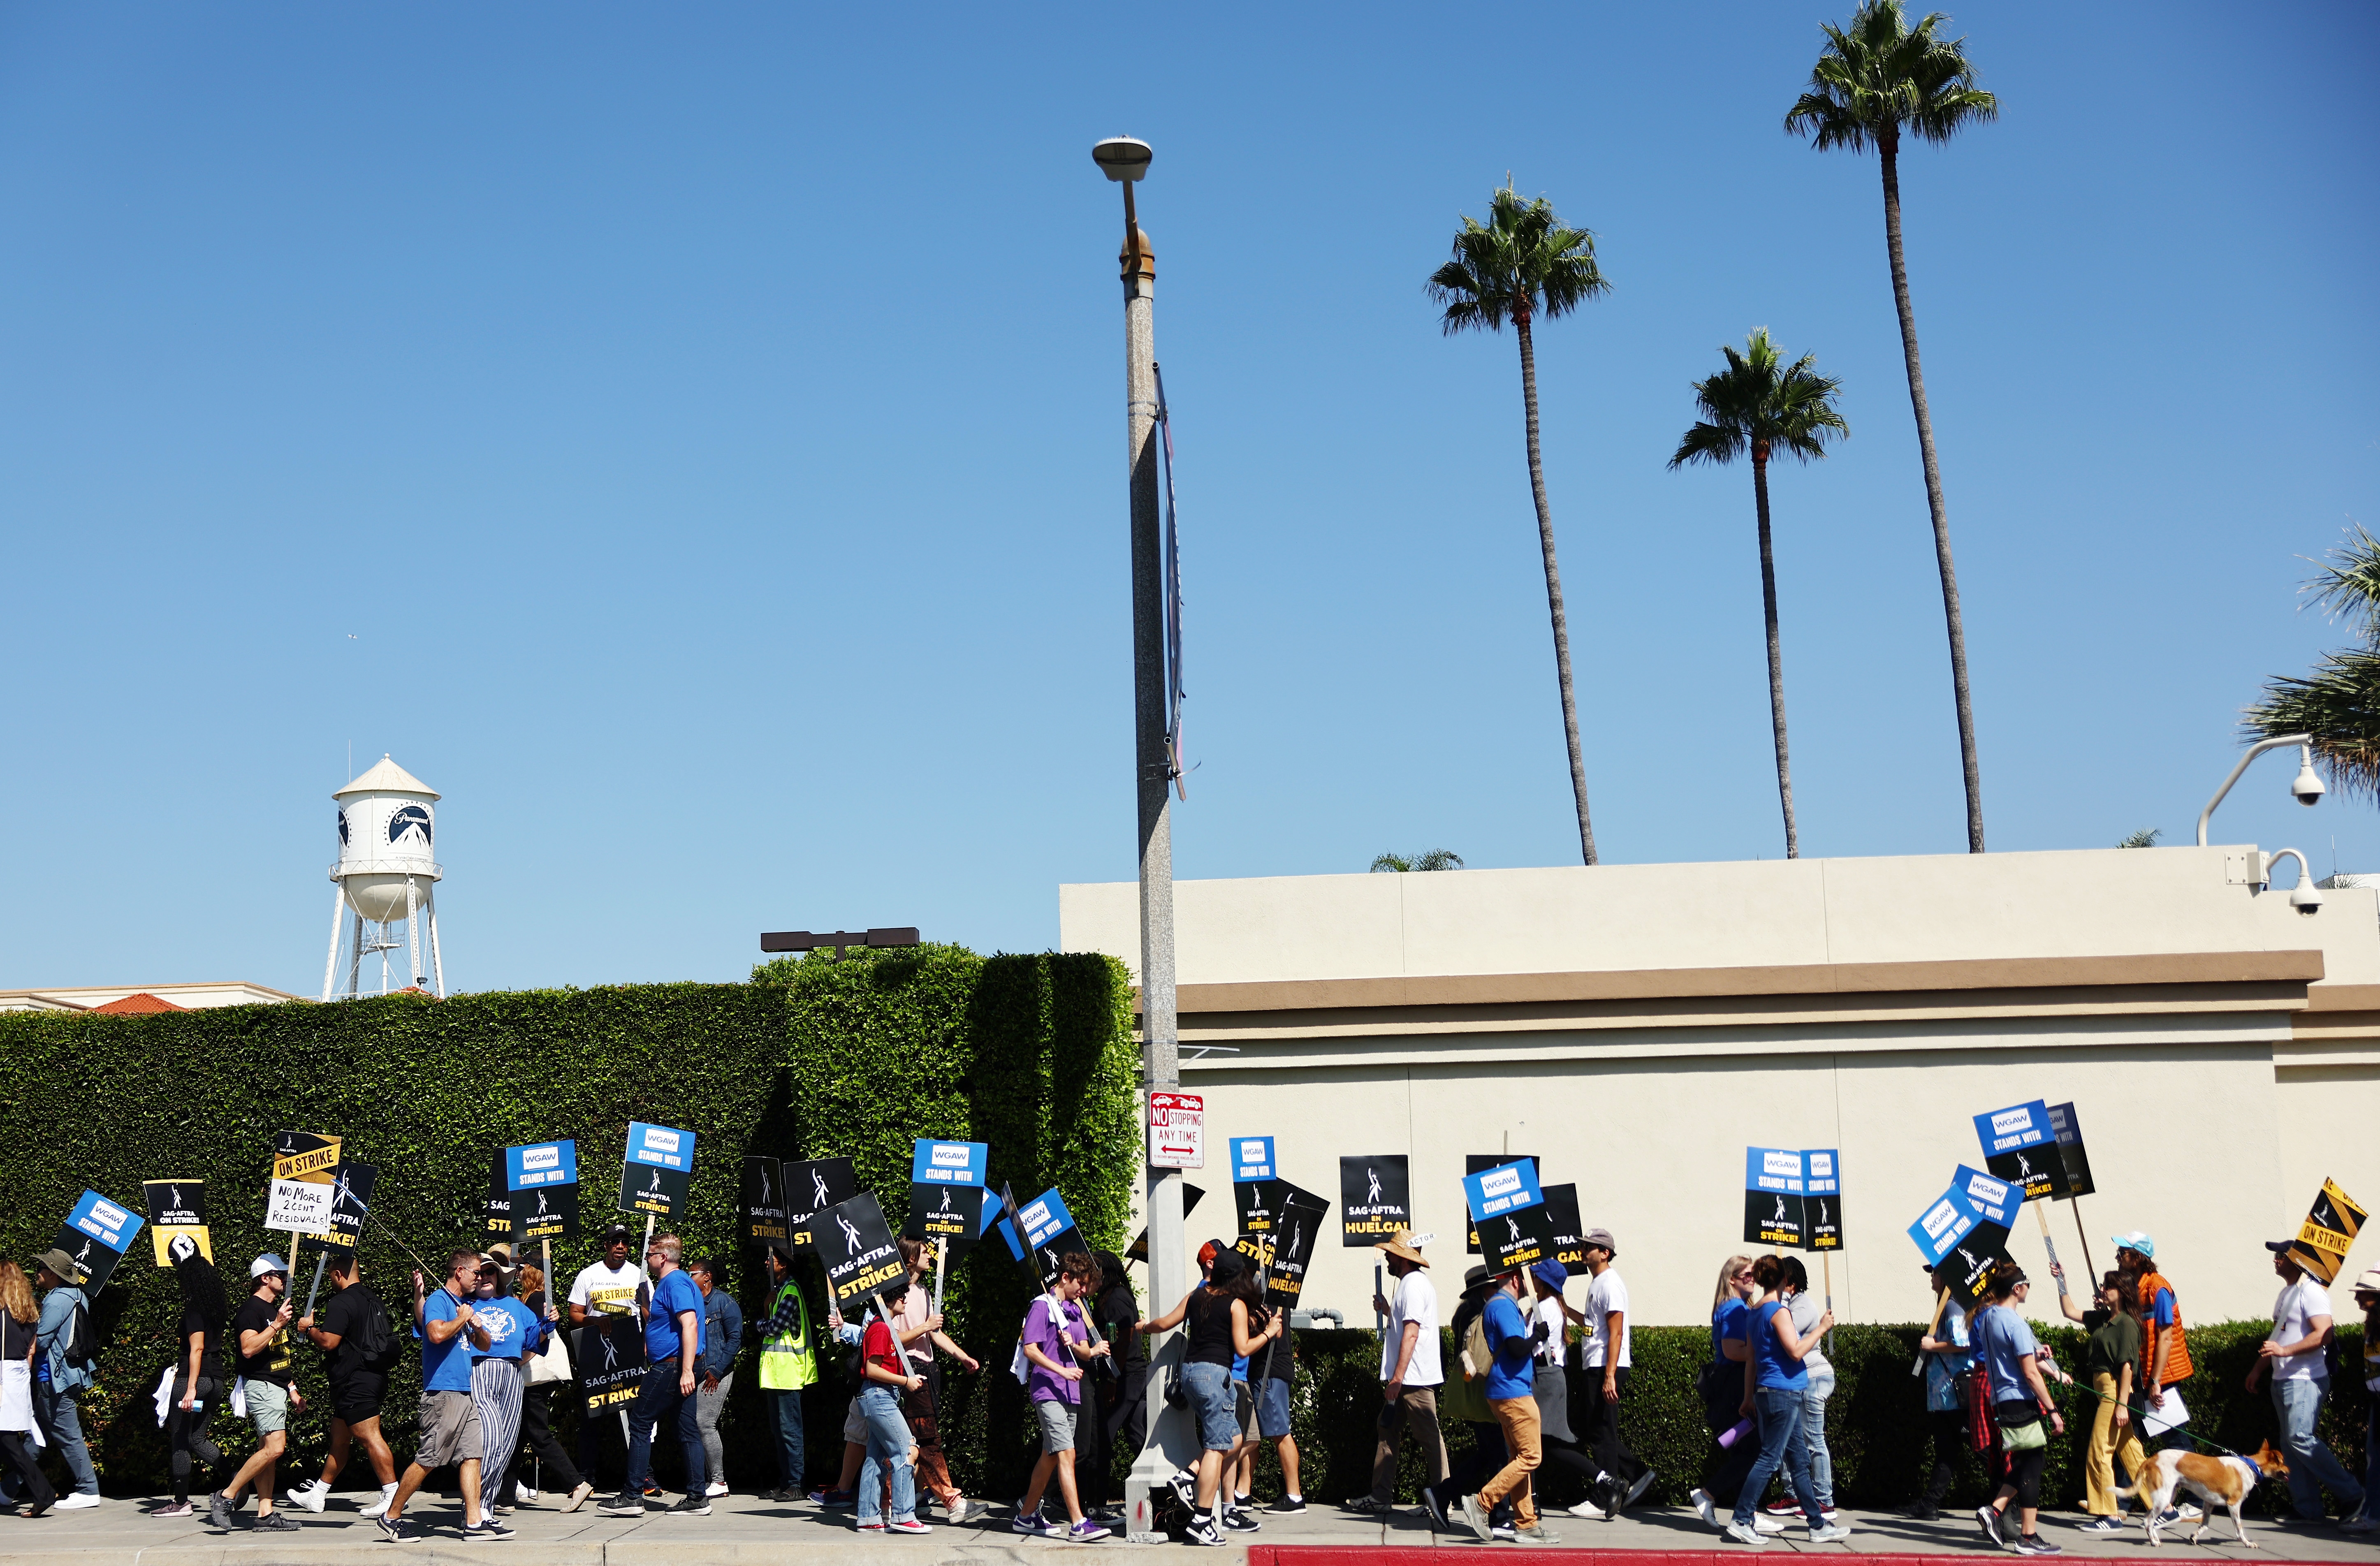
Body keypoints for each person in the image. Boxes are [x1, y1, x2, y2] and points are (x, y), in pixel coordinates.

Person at [1135, 1243, 1276, 1545]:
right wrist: (1268, 1333)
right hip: (1215, 1377)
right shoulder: (1235, 1304)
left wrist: (1144, 1327)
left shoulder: (1197, 1295)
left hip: (1190, 1375)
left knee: (1233, 1438)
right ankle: (1202, 1521)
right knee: (1216, 1447)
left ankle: (1186, 1478)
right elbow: (1242, 1348)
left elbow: (1165, 1323)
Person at [377, 1249, 501, 1542]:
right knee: (429, 1459)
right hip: (443, 1395)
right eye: (476, 1273)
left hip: (464, 1393)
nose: (480, 1278)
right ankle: (391, 1516)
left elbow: (484, 1346)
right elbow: (434, 1334)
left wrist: (477, 1326)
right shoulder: (439, 1301)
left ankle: (474, 1522)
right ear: (460, 1272)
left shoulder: (462, 1306)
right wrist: (462, 1320)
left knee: (473, 1456)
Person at [1724, 1254, 1844, 1547]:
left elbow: (1751, 1360)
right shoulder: (1778, 1312)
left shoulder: (1754, 1313)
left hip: (1767, 1393)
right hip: (1784, 1393)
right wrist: (1822, 1327)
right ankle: (1741, 1519)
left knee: (1799, 1462)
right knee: (1769, 1459)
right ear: (1781, 1280)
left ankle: (1817, 1525)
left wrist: (1747, 1397)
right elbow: (1795, 1350)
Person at [2246, 1239, 2366, 1524]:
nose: (2275, 1260)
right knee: (2289, 1447)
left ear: (2297, 1260)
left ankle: (2353, 1496)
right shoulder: (2286, 1293)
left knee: (2300, 1438)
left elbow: (2324, 1334)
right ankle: (2308, 1509)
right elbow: (2277, 1338)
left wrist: (2284, 1352)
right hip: (2282, 1379)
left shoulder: (2312, 1292)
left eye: (2281, 1256)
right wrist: (2257, 1369)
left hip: (2305, 1379)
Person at [596, 1232, 707, 1519]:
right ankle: (697, 1497)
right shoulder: (674, 1284)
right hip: (678, 1364)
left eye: (650, 1254)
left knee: (641, 1423)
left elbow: (690, 1324)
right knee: (686, 1430)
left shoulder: (674, 1282)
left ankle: (633, 1495)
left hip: (671, 1366)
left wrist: (685, 1371)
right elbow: (668, 1324)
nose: (645, 1259)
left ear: (663, 1257)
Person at [288, 1249, 400, 1517]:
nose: (330, 1282)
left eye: (331, 1277)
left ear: (339, 1274)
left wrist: (308, 1328)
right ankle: (318, 1495)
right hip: (369, 1377)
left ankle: (393, 1494)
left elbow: (329, 1342)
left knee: (369, 1437)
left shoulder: (342, 1302)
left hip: (355, 1381)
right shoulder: (373, 1299)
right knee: (340, 1440)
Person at [1013, 1251, 1113, 1541]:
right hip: (1048, 1389)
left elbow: (1081, 1348)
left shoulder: (1073, 1309)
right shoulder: (1041, 1307)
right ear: (1065, 1278)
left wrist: (1086, 1350)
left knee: (1051, 1455)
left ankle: (1026, 1516)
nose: (1084, 1291)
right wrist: (1062, 1369)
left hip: (1069, 1390)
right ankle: (1078, 1523)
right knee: (1066, 1453)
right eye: (1080, 1285)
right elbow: (1031, 1349)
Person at [886, 1236, 984, 1523]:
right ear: (910, 1258)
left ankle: (900, 1500)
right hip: (908, 1370)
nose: (930, 1256)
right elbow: (892, 1339)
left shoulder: (924, 1292)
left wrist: (962, 1356)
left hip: (927, 1370)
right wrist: (924, 1327)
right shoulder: (895, 1293)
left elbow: (934, 1334)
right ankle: (952, 1502)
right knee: (927, 1439)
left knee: (913, 1439)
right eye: (924, 1252)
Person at [1973, 1264, 2066, 1557]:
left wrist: (2035, 1352)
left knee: (2028, 1462)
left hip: (2000, 1398)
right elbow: (2030, 1374)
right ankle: (2026, 1536)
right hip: (2019, 1398)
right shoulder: (2015, 1322)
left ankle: (1995, 1510)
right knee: (2033, 1464)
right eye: (2027, 1284)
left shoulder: (1988, 1317)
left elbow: (2006, 1355)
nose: (2028, 1288)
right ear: (2017, 1289)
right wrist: (2052, 1410)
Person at [2047, 1263, 2146, 1533]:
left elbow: (2126, 1366)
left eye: (2109, 1286)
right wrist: (2061, 1280)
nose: (2103, 1290)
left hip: (2114, 1394)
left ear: (2122, 1292)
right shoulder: (2103, 1319)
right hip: (2105, 1391)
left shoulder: (2126, 1323)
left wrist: (2122, 1405)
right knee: (2131, 1453)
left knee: (2099, 1452)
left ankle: (2108, 1514)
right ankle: (2165, 1508)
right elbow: (2069, 1311)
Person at [1460, 1264, 1552, 1544]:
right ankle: (1482, 1503)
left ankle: (1526, 1523)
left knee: (1518, 1458)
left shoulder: (1499, 1304)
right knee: (1531, 1457)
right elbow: (1515, 1348)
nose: (1531, 1283)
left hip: (1507, 1390)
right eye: (1528, 1277)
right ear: (1516, 1279)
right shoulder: (1503, 1306)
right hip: (1513, 1392)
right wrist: (1538, 1336)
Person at [212, 1254, 304, 1533]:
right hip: (261, 1387)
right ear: (266, 1279)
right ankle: (226, 1496)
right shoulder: (251, 1311)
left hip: (275, 1387)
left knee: (268, 1451)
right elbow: (249, 1349)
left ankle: (265, 1514)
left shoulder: (272, 1310)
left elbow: (277, 1357)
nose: (285, 1279)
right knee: (276, 1448)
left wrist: (292, 1388)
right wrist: (276, 1325)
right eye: (280, 1274)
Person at [1362, 1230, 1447, 1515]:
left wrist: (1397, 1379)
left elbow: (1411, 1334)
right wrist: (1389, 1311)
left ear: (1401, 1257)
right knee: (1387, 1432)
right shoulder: (1412, 1284)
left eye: (1390, 1254)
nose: (1386, 1258)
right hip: (1408, 1379)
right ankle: (1381, 1496)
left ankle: (1442, 1500)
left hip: (1412, 1380)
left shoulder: (1412, 1286)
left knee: (1430, 1439)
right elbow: (1409, 1327)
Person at [498, 1262, 593, 1512]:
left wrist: (514, 1363)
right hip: (531, 1379)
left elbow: (532, 1340)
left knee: (538, 1434)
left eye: (521, 1268)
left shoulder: (535, 1299)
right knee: (516, 1436)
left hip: (529, 1377)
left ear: (532, 1272)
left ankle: (576, 1484)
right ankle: (506, 1497)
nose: (516, 1273)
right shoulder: (536, 1297)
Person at [1576, 1229, 1653, 1518]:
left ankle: (1605, 1496)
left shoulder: (1609, 1283)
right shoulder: (1598, 1283)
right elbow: (1592, 1328)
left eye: (1590, 1247)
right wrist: (1565, 1309)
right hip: (1597, 1365)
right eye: (1584, 1247)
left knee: (1601, 1434)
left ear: (1604, 1253)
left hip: (1605, 1367)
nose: (1584, 1251)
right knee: (1598, 1431)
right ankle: (1638, 1474)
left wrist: (1609, 1375)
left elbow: (1617, 1331)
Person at [1423, 1266, 1505, 1534]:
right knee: (1498, 1456)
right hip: (1486, 1394)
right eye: (1497, 1286)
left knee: (1488, 1454)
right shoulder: (1481, 1315)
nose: (1502, 1290)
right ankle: (1498, 1515)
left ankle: (1443, 1493)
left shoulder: (1465, 1313)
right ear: (1485, 1289)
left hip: (1474, 1394)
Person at [1758, 1256, 1835, 1524]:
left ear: (1789, 1280)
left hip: (1813, 1376)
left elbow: (1787, 1337)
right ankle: (1794, 1496)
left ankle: (1824, 1501)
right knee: (1791, 1442)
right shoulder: (1782, 1304)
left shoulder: (1802, 1305)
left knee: (1813, 1440)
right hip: (1796, 1380)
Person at [568, 1224, 644, 1489]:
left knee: (638, 1417)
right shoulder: (588, 1275)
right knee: (593, 1417)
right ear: (606, 1246)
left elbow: (648, 1313)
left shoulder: (639, 1274)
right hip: (596, 1354)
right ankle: (586, 1479)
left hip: (631, 1354)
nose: (620, 1246)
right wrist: (594, 1321)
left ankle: (645, 1476)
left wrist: (648, 1344)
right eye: (615, 1242)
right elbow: (574, 1314)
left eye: (624, 1242)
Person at [155, 1236, 226, 1520]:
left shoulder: (194, 1308)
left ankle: (181, 1501)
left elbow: (196, 1348)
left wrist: (190, 1389)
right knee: (198, 1438)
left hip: (193, 1380)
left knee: (180, 1440)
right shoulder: (216, 1308)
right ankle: (237, 1479)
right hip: (217, 1379)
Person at [853, 1286, 932, 1536]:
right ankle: (903, 1515)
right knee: (907, 1450)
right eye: (901, 1296)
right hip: (879, 1396)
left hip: (879, 1396)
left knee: (875, 1459)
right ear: (887, 1299)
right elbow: (872, 1369)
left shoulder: (883, 1327)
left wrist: (906, 1378)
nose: (905, 1300)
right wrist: (906, 1382)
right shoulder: (881, 1328)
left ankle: (867, 1517)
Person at [467, 1253, 540, 1521]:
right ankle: (474, 1504)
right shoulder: (465, 1303)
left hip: (511, 1373)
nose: (486, 1277)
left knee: (507, 1444)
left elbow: (536, 1338)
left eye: (491, 1272)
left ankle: (486, 1504)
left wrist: (520, 1360)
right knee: (491, 1439)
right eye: (481, 1273)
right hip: (479, 1370)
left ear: (498, 1278)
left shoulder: (515, 1305)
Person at [1690, 1255, 1759, 1527]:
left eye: (1754, 1275)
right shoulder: (1734, 1308)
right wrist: (1767, 1352)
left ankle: (1746, 1514)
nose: (1753, 1279)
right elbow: (1733, 1351)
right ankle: (1707, 1495)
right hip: (1735, 1384)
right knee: (1752, 1451)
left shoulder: (1734, 1306)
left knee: (1745, 1449)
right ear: (1732, 1278)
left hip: (1734, 1383)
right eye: (1747, 1275)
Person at [29, 1251, 99, 1510]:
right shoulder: (79, 1295)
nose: (37, 1271)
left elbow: (43, 1340)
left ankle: (88, 1489)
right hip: (73, 1373)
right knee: (40, 1432)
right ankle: (8, 1488)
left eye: (42, 1267)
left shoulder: (56, 1300)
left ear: (52, 1274)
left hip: (54, 1377)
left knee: (68, 1434)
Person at [2110, 1232, 2193, 1442]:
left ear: (2138, 1258)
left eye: (2123, 1253)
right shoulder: (2132, 1287)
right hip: (2141, 1374)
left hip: (2161, 1377)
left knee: (2176, 1442)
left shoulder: (2159, 1288)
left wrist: (2155, 1381)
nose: (2118, 1258)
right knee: (2137, 1439)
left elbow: (2166, 1338)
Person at [751, 1242, 817, 1503]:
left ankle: (796, 1484)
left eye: (772, 1260)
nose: (767, 1264)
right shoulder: (780, 1292)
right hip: (777, 1374)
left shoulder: (789, 1292)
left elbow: (774, 1327)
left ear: (784, 1264)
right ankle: (785, 1483)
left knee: (790, 1431)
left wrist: (763, 1317)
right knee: (780, 1432)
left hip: (789, 1373)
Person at [1081, 1250, 1144, 1523]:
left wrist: (1112, 1381)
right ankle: (1167, 1492)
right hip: (1129, 1378)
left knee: (1101, 1440)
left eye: (1095, 1271)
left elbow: (1123, 1340)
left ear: (1105, 1273)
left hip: (1125, 1378)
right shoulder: (1111, 1297)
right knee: (1139, 1438)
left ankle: (1095, 1504)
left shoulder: (1116, 1299)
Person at [0, 1262, 55, 1518]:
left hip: (3, 1375)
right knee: (8, 1442)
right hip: (19, 1374)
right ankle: (42, 1491)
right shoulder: (30, 1312)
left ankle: (43, 1492)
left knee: (9, 1442)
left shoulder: (2, 1312)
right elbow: (31, 1352)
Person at [688, 1259, 743, 1501]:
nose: (690, 1278)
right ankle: (702, 1480)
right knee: (692, 1424)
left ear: (707, 1277)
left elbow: (735, 1340)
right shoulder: (693, 1303)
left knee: (704, 1423)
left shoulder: (724, 1303)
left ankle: (719, 1481)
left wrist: (717, 1371)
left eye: (693, 1274)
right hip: (696, 1372)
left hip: (715, 1374)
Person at [2348, 1269, 2380, 1535]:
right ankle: (2372, 1514)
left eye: (2362, 1292)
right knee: (2374, 1460)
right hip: (2376, 1402)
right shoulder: (2372, 1324)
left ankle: (2372, 1516)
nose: (2356, 1297)